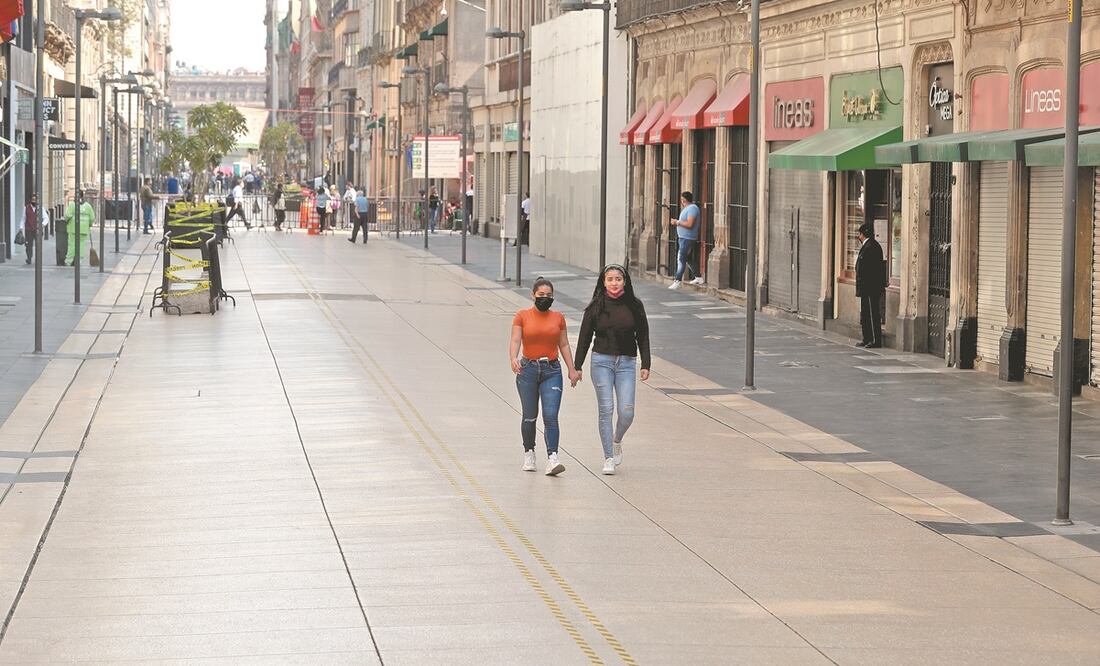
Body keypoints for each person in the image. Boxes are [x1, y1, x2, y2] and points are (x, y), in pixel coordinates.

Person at [574, 264, 651, 475]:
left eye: (618, 278)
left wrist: (646, 364)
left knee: (627, 412)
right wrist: (577, 366)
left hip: (626, 363)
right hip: (601, 363)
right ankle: (608, 457)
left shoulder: (635, 305)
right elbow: (584, 338)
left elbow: (643, 335)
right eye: (610, 279)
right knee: (606, 410)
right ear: (603, 282)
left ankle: (617, 440)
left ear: (625, 281)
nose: (614, 283)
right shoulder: (595, 307)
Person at [509, 277, 581, 476]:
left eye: (549, 296)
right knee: (530, 416)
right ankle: (529, 452)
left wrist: (572, 369)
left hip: (552, 370)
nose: (545, 298)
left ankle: (553, 457)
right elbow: (515, 339)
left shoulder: (558, 317)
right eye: (541, 295)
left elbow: (564, 344)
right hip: (528, 369)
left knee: (550, 416)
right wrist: (513, 358)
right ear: (533, 295)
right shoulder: (522, 316)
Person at [856, 222, 887, 348]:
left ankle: (875, 340)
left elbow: (872, 270)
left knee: (872, 313)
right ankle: (867, 338)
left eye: (859, 234)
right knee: (865, 314)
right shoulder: (868, 246)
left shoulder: (871, 247)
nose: (858, 237)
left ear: (862, 234)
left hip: (870, 288)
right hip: (866, 288)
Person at [668, 191, 706, 289]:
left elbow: (690, 224)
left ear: (684, 199)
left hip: (687, 238)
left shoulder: (692, 208)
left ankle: (677, 280)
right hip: (684, 238)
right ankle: (698, 277)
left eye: (682, 199)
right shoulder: (688, 208)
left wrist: (677, 222)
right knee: (687, 258)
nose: (681, 201)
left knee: (681, 259)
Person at [64, 191, 95, 267]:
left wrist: (67, 221)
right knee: (81, 245)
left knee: (72, 245)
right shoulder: (87, 206)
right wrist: (89, 224)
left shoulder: (72, 205)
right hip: (83, 230)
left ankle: (69, 261)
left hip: (73, 229)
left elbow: (67, 215)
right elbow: (92, 218)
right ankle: (79, 260)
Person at [19, 194, 47, 265]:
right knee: (28, 245)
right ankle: (29, 258)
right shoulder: (26, 208)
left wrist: (42, 225)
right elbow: (23, 218)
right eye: (32, 200)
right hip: (29, 230)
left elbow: (46, 218)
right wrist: (21, 227)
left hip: (38, 230)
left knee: (38, 245)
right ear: (30, 200)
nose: (34, 201)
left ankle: (38, 258)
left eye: (35, 200)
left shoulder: (41, 208)